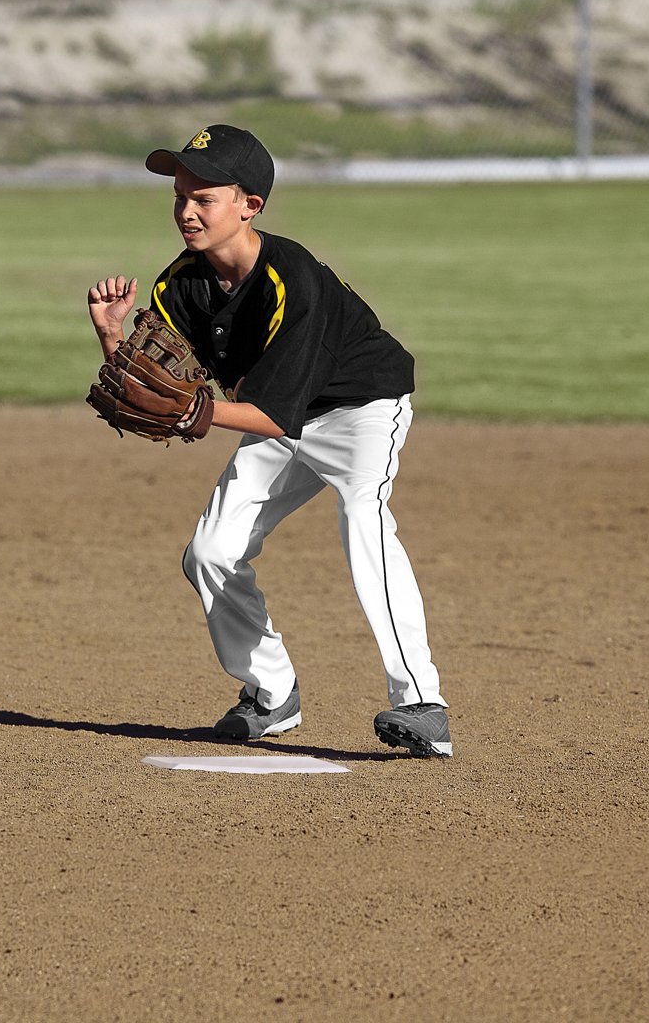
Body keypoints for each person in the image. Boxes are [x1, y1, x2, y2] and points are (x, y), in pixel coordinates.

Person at [87, 124, 451, 758]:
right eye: (179, 196)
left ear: (250, 205)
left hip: (361, 409)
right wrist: (114, 338)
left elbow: (265, 415)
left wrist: (198, 411)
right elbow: (156, 385)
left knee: (363, 518)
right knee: (210, 552)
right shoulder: (181, 285)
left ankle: (421, 703)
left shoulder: (293, 282)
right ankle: (271, 691)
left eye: (204, 197)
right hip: (277, 418)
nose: (186, 211)